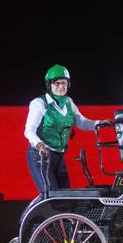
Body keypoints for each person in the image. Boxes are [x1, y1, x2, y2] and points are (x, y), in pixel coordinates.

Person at [24, 64, 105, 193]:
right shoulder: (39, 103)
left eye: (64, 83)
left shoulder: (69, 102)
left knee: (65, 195)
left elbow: (82, 122)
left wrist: (100, 123)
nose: (61, 86)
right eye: (57, 83)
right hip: (41, 156)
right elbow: (29, 130)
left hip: (59, 155)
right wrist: (39, 144)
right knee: (51, 195)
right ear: (49, 85)